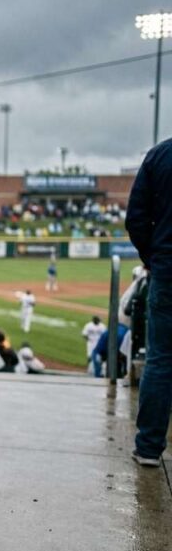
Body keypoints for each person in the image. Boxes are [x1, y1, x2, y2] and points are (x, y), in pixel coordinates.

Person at [126, 136, 172, 467]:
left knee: (161, 359)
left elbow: (136, 219)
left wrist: (152, 258)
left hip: (168, 270)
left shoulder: (160, 155)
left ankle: (149, 448)